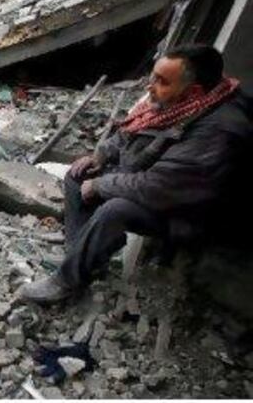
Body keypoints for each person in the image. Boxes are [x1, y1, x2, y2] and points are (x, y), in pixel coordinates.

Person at [19, 46, 253, 304]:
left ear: (194, 91)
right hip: (155, 178)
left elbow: (157, 188)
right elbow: (133, 131)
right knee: (77, 176)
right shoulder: (182, 100)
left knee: (116, 209)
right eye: (153, 77)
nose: (150, 86)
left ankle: (66, 283)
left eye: (161, 81)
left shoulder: (219, 131)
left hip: (190, 211)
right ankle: (79, 256)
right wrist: (102, 156)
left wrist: (101, 184)